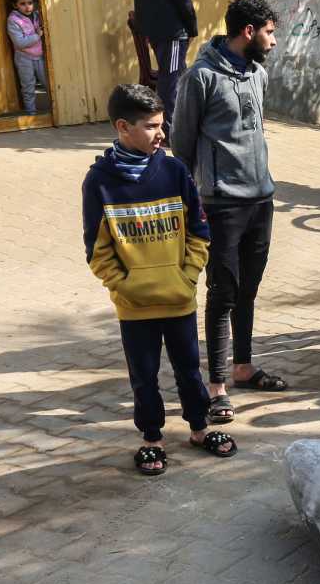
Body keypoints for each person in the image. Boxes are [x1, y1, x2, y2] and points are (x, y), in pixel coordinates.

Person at [83, 84, 237, 475]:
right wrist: (125, 286)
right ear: (122, 127)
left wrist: (186, 278)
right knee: (144, 376)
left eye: (161, 124)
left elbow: (199, 232)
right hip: (135, 307)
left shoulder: (174, 172)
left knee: (189, 369)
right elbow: (97, 250)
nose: (161, 134)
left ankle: (200, 429)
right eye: (151, 126)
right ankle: (152, 439)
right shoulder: (100, 182)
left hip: (179, 299)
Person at [171, 0, 284, 427]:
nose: (273, 41)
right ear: (249, 32)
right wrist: (187, 204)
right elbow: (181, 147)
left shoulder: (257, 73)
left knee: (249, 289)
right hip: (221, 204)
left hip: (261, 199)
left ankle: (244, 366)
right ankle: (216, 385)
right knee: (223, 294)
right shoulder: (199, 78)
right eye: (270, 32)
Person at [132, 0, 198, 139]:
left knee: (173, 76)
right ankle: (169, 130)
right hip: (173, 30)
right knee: (172, 78)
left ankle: (177, 126)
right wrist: (192, 26)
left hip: (156, 29)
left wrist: (144, 27)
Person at [5, 0, 47, 115]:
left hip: (39, 56)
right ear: (15, 5)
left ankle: (56, 111)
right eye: (22, 4)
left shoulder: (36, 15)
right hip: (24, 58)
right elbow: (20, 43)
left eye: (30, 3)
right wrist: (37, 35)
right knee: (28, 87)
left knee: (49, 83)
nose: (27, 7)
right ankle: (31, 114)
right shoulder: (13, 20)